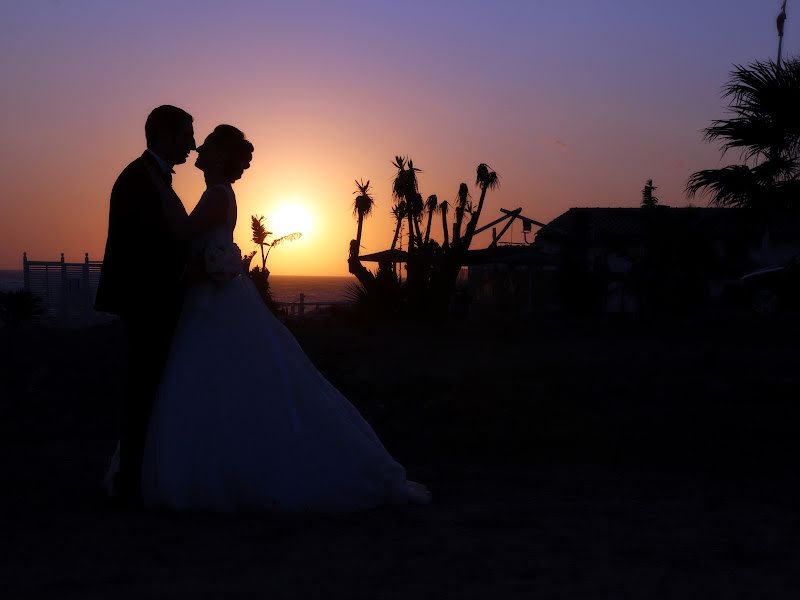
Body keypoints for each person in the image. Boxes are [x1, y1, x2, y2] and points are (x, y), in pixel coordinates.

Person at [140, 125, 430, 512]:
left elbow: (180, 232)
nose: (198, 147)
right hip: (209, 300)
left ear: (220, 156)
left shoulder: (216, 195)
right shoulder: (217, 194)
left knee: (220, 378)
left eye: (206, 144)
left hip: (213, 303)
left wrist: (160, 190)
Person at [95, 105, 196, 503]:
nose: (191, 143)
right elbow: (144, 249)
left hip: (157, 301)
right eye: (187, 135)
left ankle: (138, 477)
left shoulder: (152, 177)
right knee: (142, 389)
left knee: (151, 388)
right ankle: (131, 483)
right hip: (147, 304)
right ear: (168, 136)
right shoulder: (138, 179)